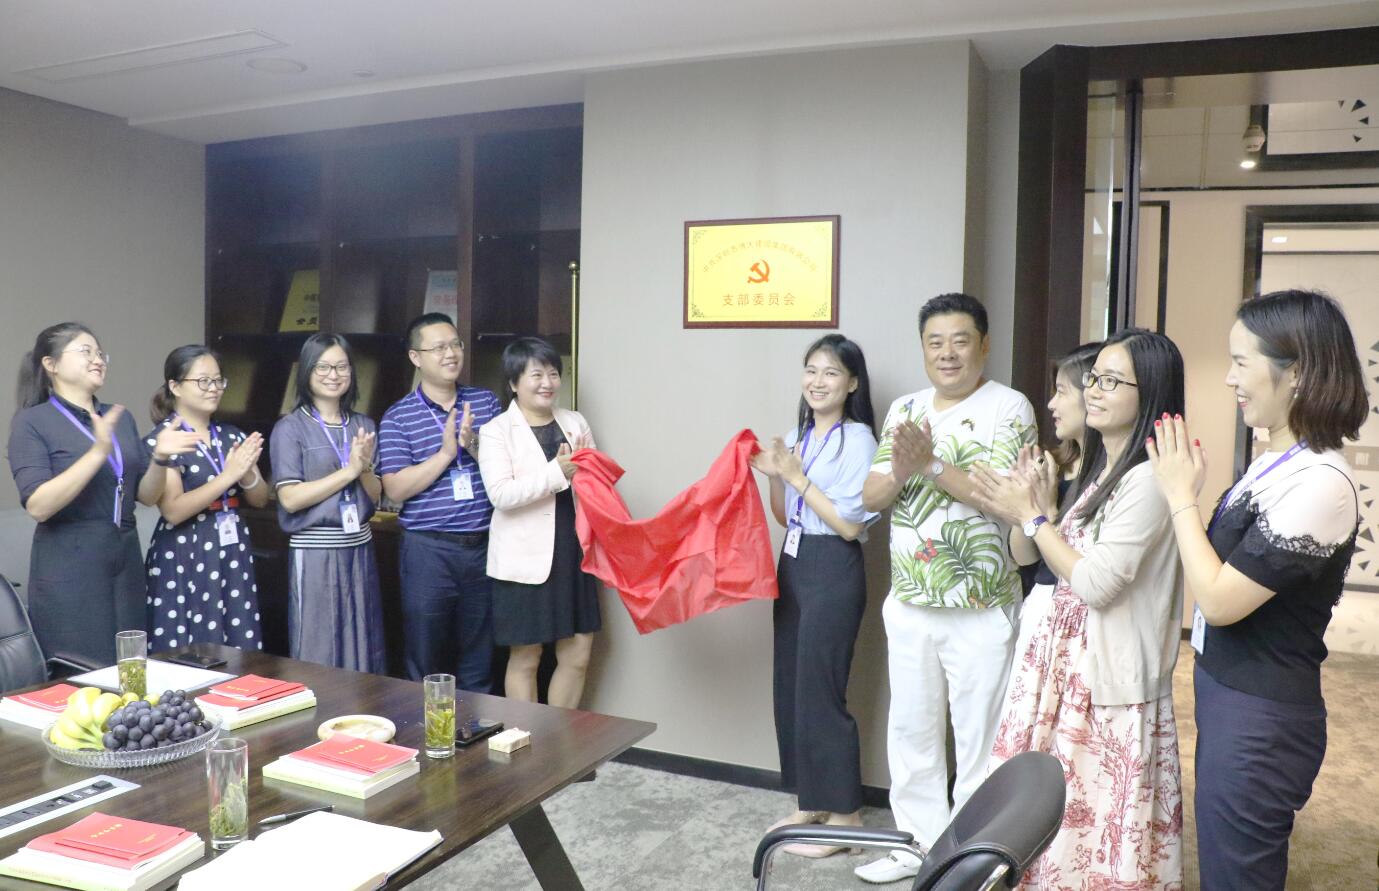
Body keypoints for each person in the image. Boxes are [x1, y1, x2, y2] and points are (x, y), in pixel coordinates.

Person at [1146, 289, 1367, 890]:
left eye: (1241, 362)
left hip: (1262, 716)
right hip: (1231, 694)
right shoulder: (1278, 461)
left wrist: (1180, 497)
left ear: (1298, 372)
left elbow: (1219, 601)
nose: (1230, 379)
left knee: (1237, 876)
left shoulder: (1322, 481)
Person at [974, 328, 1186, 888]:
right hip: (1065, 672)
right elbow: (1032, 556)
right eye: (1093, 379)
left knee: (1088, 837)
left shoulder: (1146, 480)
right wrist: (1034, 512)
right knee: (1046, 825)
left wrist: (1034, 516)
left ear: (1151, 392)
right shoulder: (1101, 471)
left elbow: (1094, 583)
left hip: (1103, 683)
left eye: (1111, 381)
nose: (1093, 390)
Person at [856, 293, 1035, 885]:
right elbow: (871, 496)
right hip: (910, 602)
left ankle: (971, 860)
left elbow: (1004, 500)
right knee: (911, 732)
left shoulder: (1009, 406)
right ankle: (915, 845)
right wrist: (903, 466)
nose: (948, 353)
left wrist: (930, 464)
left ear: (984, 345)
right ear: (923, 348)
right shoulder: (906, 408)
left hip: (980, 605)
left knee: (979, 739)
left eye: (960, 341)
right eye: (935, 342)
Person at [750, 334, 878, 857]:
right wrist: (775, 477)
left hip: (833, 565)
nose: (817, 382)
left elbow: (849, 526)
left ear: (852, 383)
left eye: (830, 372)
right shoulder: (797, 435)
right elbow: (787, 517)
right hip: (795, 561)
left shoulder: (860, 440)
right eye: (811, 370)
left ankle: (846, 819)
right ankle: (812, 802)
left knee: (822, 691)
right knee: (793, 686)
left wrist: (796, 477)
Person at [8, 323, 200, 666]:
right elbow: (38, 505)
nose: (97, 359)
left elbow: (146, 495)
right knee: (79, 671)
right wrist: (97, 451)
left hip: (125, 556)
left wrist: (160, 458)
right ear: (51, 364)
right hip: (70, 561)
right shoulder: (32, 422)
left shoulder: (118, 418)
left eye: (100, 353)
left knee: (131, 666)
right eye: (86, 351)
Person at [377, 313, 501, 689]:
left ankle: (476, 725)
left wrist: (472, 444)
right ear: (416, 357)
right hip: (428, 551)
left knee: (481, 657)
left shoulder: (485, 402)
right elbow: (395, 489)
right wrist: (446, 453)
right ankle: (426, 726)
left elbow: (507, 466)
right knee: (426, 656)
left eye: (455, 344)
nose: (451, 354)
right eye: (439, 347)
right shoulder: (398, 417)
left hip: (484, 546)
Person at [477, 337, 598, 708]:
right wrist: (557, 472)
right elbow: (501, 495)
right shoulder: (496, 430)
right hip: (523, 559)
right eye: (537, 375)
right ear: (514, 383)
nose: (548, 382)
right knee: (526, 657)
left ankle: (561, 736)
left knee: (578, 653)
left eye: (553, 373)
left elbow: (594, 480)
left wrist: (591, 474)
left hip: (573, 550)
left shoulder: (574, 422)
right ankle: (527, 737)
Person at [270, 333, 386, 673]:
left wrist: (363, 468)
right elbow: (290, 499)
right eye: (323, 367)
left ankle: (363, 707)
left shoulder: (363, 424)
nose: (333, 375)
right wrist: (349, 471)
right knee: (318, 645)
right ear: (307, 371)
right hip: (315, 550)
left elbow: (375, 494)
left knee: (363, 642)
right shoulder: (290, 428)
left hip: (359, 547)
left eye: (341, 367)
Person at [143, 345, 268, 651]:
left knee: (238, 641)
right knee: (189, 647)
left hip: (232, 547)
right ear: (175, 386)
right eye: (203, 381)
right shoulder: (165, 438)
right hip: (185, 552)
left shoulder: (231, 434)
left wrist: (246, 475)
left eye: (218, 380)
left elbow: (260, 498)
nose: (214, 388)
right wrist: (228, 475)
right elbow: (173, 510)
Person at [1010, 343, 1100, 598]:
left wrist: (1047, 511)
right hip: (1041, 602)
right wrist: (1025, 507)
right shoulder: (1054, 464)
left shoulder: (1110, 476)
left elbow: (1075, 570)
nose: (1051, 404)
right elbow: (1025, 559)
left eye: (1061, 392)